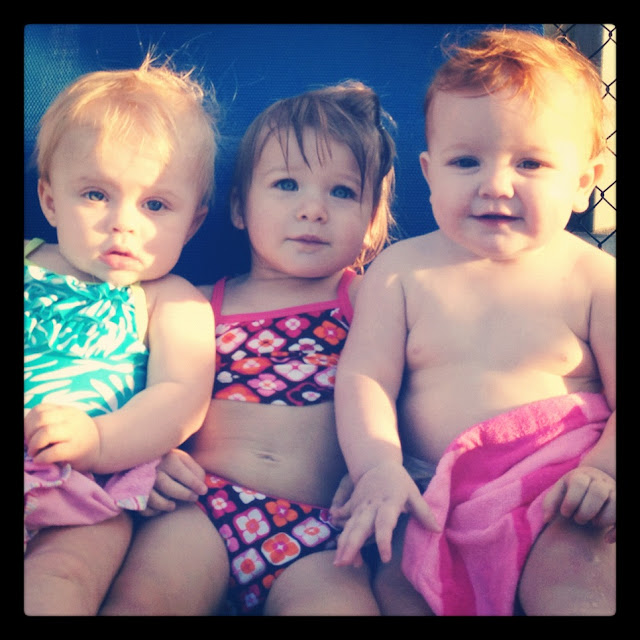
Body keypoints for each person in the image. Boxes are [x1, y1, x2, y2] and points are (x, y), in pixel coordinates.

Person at [332, 29, 616, 616]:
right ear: (429, 172)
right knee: (396, 583)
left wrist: (602, 471)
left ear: (584, 182)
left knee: (572, 584)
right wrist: (378, 467)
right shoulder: (401, 271)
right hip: (429, 493)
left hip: (558, 491)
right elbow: (365, 378)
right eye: (466, 162)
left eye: (530, 163)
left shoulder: (593, 278)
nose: (495, 185)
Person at [100, 80, 397, 616]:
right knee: (141, 600)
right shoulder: (192, 302)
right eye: (287, 184)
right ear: (239, 207)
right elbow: (133, 389)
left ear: (372, 221)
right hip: (200, 508)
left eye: (342, 192)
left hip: (322, 532)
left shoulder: (371, 300)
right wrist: (146, 459)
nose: (313, 209)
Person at [24, 55, 218, 615]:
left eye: (155, 205)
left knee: (64, 578)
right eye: (95, 195)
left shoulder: (170, 298)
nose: (123, 223)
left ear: (193, 223)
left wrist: (101, 443)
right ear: (50, 200)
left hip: (89, 488)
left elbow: (180, 397)